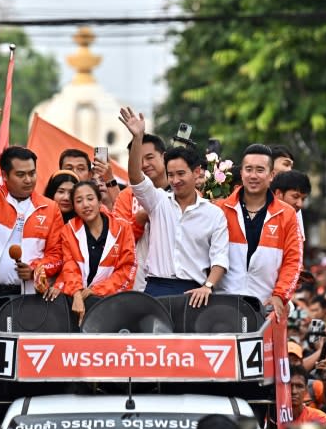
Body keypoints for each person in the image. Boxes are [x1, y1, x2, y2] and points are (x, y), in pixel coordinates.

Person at [119, 106, 228, 305]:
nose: (175, 180)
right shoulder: (158, 202)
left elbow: (220, 258)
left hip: (194, 291)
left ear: (197, 173)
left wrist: (208, 286)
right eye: (171, 175)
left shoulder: (214, 214)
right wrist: (137, 138)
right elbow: (135, 177)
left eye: (181, 174)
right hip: (156, 288)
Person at [0, 109, 64, 311]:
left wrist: (35, 269)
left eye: (32, 173)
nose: (28, 180)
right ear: (5, 176)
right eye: (21, 174)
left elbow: (56, 256)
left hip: (29, 295)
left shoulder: (50, 208)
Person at [217, 143, 302, 317]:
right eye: (248, 169)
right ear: (241, 173)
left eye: (260, 170)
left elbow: (293, 261)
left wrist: (280, 296)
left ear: (271, 175)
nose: (253, 175)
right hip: (222, 306)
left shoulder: (287, 214)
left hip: (266, 309)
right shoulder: (219, 210)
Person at [45, 181, 136, 323]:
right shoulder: (68, 230)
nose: (85, 205)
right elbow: (70, 266)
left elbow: (127, 268)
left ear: (100, 202)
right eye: (79, 201)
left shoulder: (122, 228)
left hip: (111, 303)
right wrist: (76, 294)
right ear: (74, 207)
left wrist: (96, 290)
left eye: (90, 198)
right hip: (76, 303)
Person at [112, 132, 168, 292]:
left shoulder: (182, 194)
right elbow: (117, 239)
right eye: (138, 160)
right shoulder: (126, 197)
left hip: (173, 282)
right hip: (135, 282)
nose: (144, 164)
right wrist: (139, 220)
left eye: (150, 157)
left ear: (163, 156)